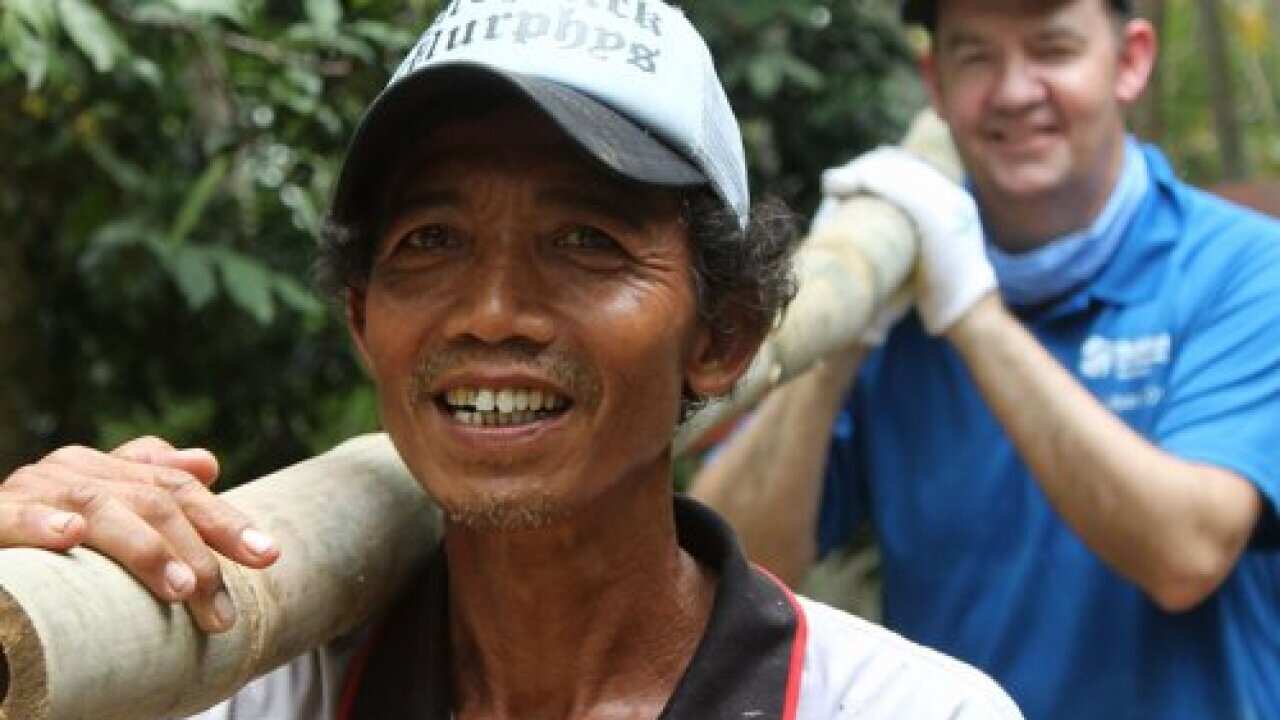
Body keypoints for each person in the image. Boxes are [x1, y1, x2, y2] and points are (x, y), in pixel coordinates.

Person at [0, 1, 1024, 718]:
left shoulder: (907, 709)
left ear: (723, 334)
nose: (489, 313)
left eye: (586, 241)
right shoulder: (245, 694)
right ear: (364, 322)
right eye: (430, 242)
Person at [692, 0, 1280, 718]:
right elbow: (725, 574)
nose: (1013, 90)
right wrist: (843, 331)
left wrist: (972, 312)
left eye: (1053, 50)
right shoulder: (904, 288)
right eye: (976, 57)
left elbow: (1187, 555)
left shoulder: (1245, 271)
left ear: (1129, 61)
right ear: (935, 82)